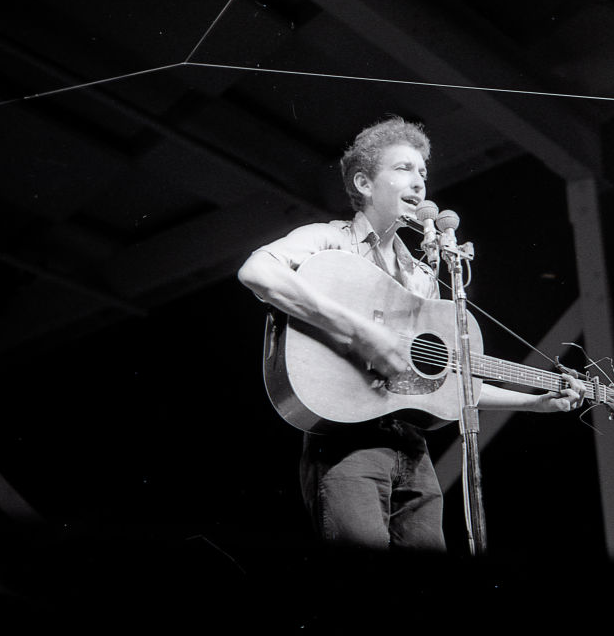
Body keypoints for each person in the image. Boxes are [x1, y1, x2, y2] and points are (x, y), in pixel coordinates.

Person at [237, 115, 585, 553]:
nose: (419, 182)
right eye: (403, 169)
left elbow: (444, 380)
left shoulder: (422, 277)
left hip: (414, 452)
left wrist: (534, 401)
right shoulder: (328, 241)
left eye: (422, 171)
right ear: (363, 183)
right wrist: (360, 330)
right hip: (345, 442)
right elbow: (257, 271)